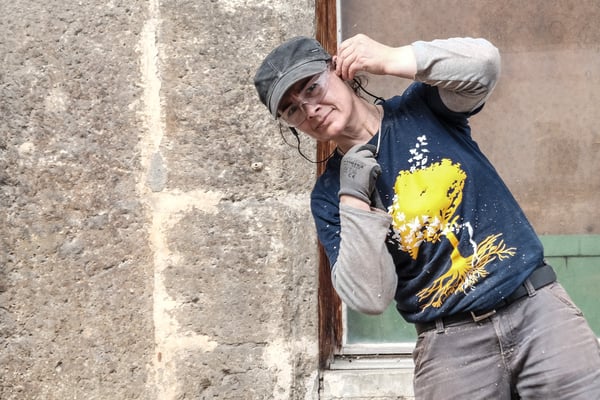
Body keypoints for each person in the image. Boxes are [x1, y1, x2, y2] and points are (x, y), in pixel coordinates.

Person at [254, 34, 600, 399]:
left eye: (312, 87)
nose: (309, 109)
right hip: (450, 348)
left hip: (536, 312)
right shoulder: (330, 196)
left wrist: (389, 58)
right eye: (292, 110)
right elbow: (370, 296)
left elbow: (484, 65)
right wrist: (354, 198)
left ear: (339, 71)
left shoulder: (423, 108)